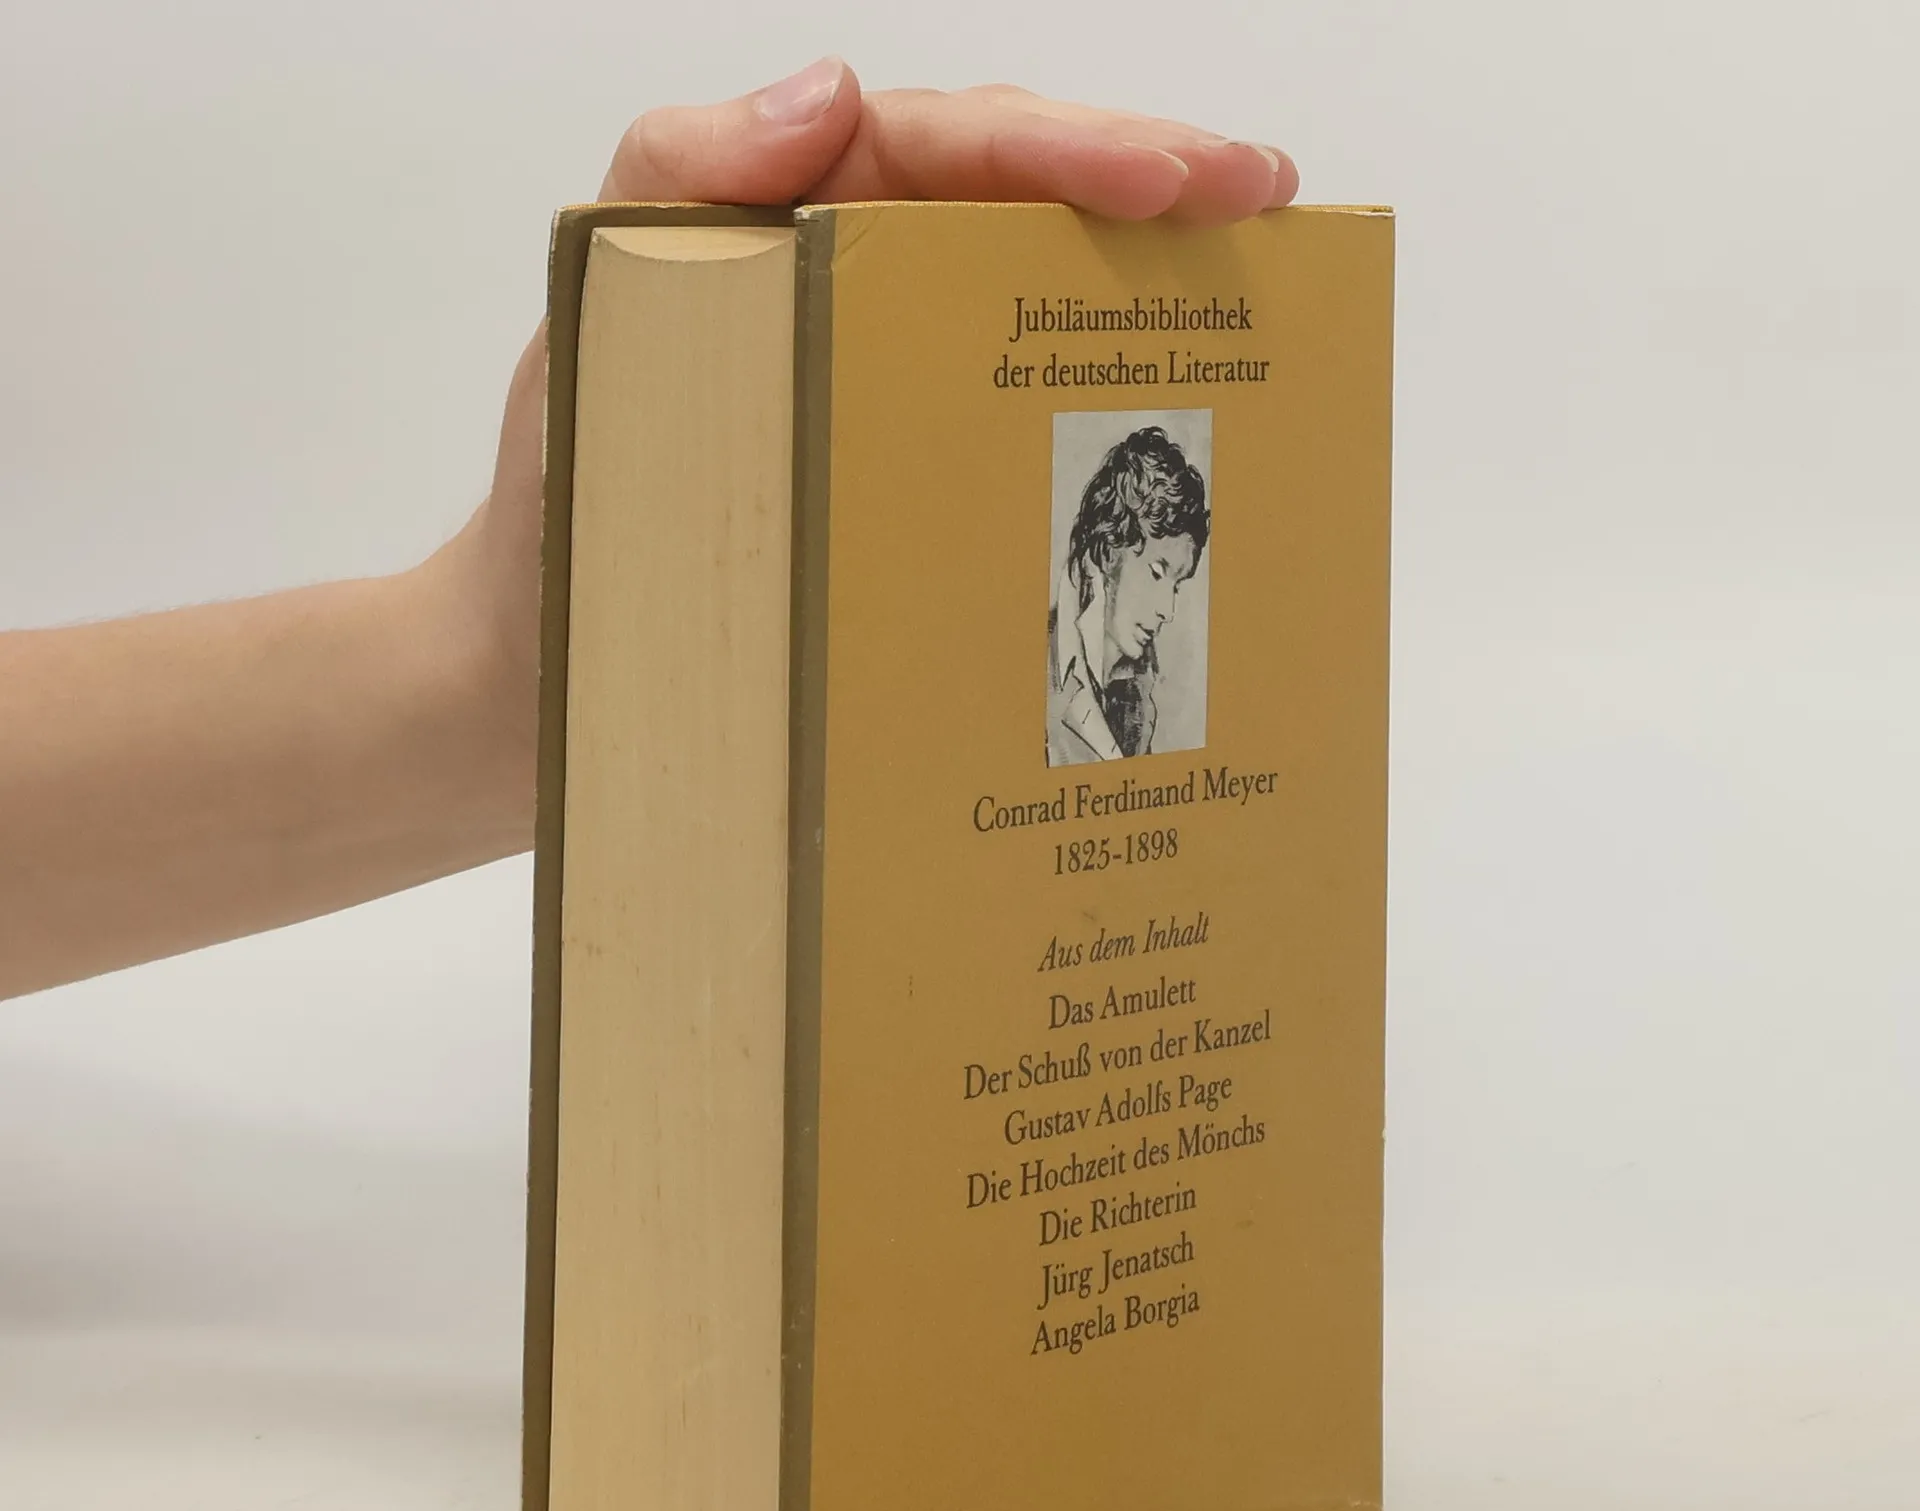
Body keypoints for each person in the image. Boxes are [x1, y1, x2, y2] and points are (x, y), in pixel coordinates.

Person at [0, 60, 1296, 1002]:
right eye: (1161, 573)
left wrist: (508, 683)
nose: (1172, 608)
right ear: (1098, 554)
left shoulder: (1112, 705)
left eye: (1186, 579)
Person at [1046, 424, 1211, 765]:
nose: (1168, 611)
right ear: (1108, 552)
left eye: (1175, 585)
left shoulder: (1138, 687)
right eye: (1156, 573)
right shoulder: (1040, 666)